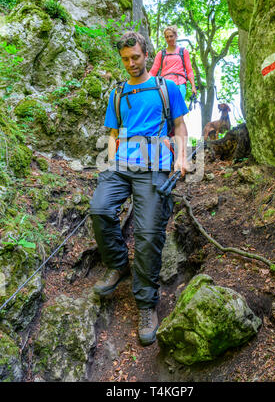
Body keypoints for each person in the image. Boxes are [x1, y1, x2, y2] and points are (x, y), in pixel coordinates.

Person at [89, 31, 189, 346]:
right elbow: (114, 131)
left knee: (148, 235)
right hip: (121, 165)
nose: (131, 63)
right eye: (125, 59)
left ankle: (146, 303)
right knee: (100, 208)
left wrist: (181, 159)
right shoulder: (117, 94)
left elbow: (180, 126)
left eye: (136, 57)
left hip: (156, 166)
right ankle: (118, 265)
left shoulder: (166, 87)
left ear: (146, 54)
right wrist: (109, 162)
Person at [149, 25, 197, 101]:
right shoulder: (161, 53)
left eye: (171, 36)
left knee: (178, 110)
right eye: (167, 37)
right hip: (164, 85)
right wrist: (144, 84)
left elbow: (189, 71)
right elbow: (153, 72)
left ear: (176, 36)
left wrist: (193, 86)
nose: (169, 39)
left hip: (180, 84)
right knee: (164, 110)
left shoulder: (183, 51)